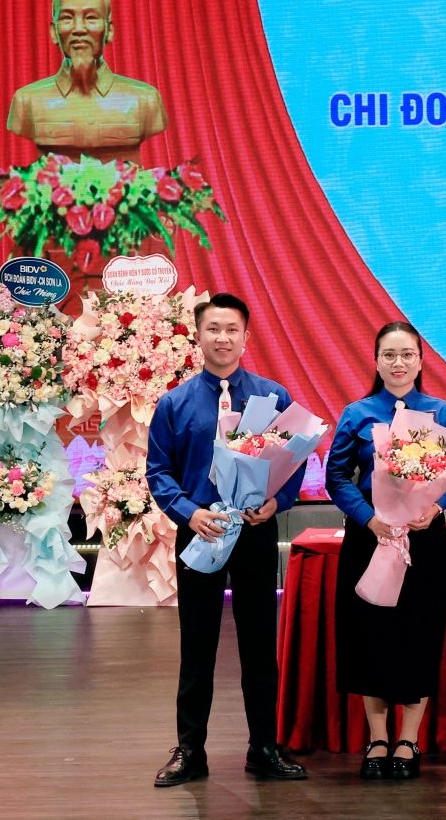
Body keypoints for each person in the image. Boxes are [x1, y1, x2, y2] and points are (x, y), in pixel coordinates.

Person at [147, 293, 307, 787]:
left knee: (259, 646)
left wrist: (277, 503)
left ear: (246, 336)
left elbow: (294, 463)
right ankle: (190, 751)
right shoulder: (174, 403)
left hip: (255, 534)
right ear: (198, 336)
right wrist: (190, 513)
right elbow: (159, 472)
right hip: (200, 535)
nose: (223, 338)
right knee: (197, 646)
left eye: (232, 329)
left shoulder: (272, 397)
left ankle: (264, 747)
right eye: (213, 329)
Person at [325, 320, 446, 780]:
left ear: (421, 361)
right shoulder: (357, 413)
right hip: (371, 537)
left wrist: (435, 508)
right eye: (389, 354)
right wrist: (369, 517)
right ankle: (378, 737)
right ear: (376, 361)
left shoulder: (440, 411)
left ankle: (409, 738)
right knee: (372, 636)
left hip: (423, 539)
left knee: (418, 634)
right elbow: (337, 477)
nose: (398, 363)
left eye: (407, 354)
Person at [6, 0, 167, 163]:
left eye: (91, 18)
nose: (79, 29)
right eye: (67, 18)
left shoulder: (145, 99)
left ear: (109, 31)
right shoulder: (27, 100)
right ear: (53, 32)